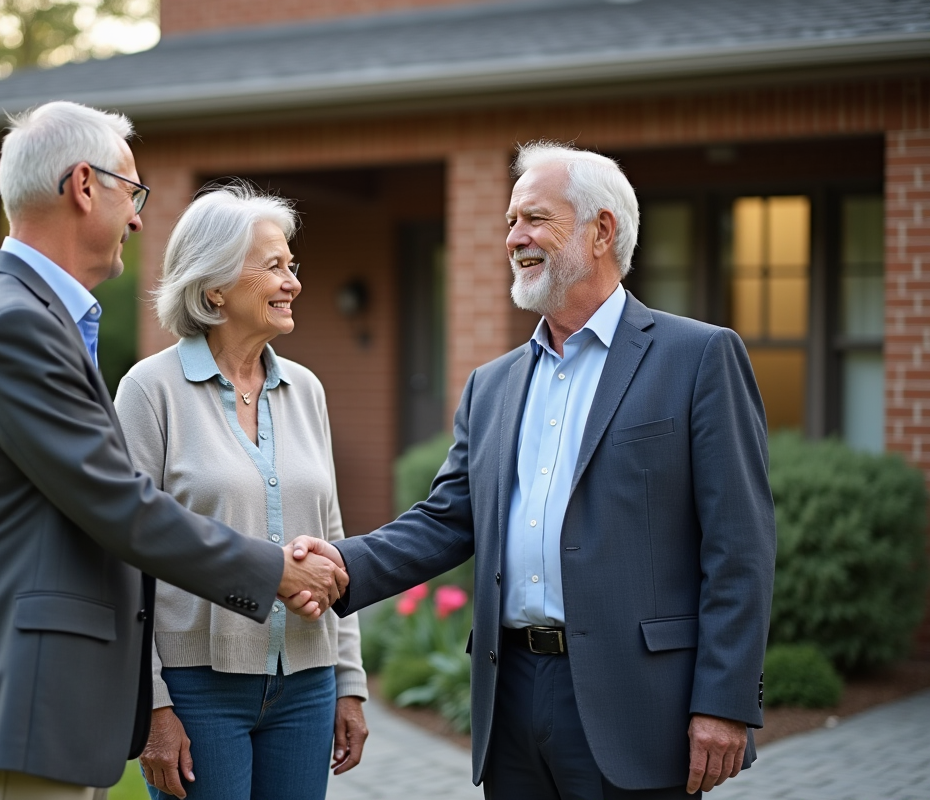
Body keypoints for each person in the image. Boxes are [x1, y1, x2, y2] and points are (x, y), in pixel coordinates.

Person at [294, 141, 776, 799]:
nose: (514, 237)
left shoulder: (698, 358)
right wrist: (343, 565)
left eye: (534, 219)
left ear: (600, 231)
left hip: (638, 701)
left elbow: (740, 546)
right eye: (510, 222)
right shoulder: (491, 385)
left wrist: (724, 700)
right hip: (512, 697)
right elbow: (448, 519)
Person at [0, 102, 347, 800]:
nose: (139, 219)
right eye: (132, 191)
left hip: (48, 697)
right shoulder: (16, 325)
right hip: (26, 695)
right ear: (84, 186)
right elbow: (121, 506)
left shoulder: (33, 316)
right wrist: (272, 570)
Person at [113, 183, 368, 800]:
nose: (293, 283)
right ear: (215, 288)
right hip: (198, 690)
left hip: (307, 683)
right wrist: (153, 704)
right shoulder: (150, 391)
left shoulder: (306, 389)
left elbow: (333, 538)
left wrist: (349, 681)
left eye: (292, 266)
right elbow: (123, 555)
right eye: (274, 267)